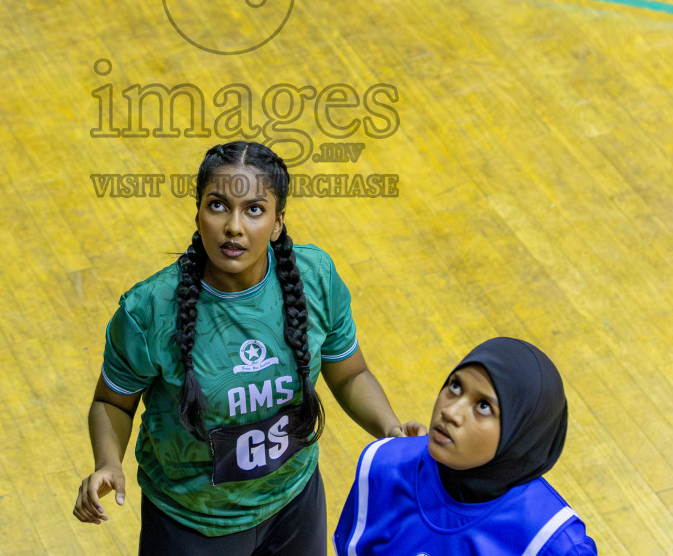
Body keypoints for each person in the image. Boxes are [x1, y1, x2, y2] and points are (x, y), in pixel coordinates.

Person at [73, 140, 424, 555]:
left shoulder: (315, 278)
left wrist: (390, 430)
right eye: (218, 205)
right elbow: (112, 403)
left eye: (254, 209)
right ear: (198, 212)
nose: (233, 226)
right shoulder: (148, 310)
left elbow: (349, 374)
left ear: (277, 222)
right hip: (191, 523)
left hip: (295, 504)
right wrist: (108, 462)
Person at [334, 337, 597, 556]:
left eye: (484, 406)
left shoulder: (553, 543)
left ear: (520, 435)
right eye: (455, 386)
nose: (450, 412)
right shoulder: (384, 465)